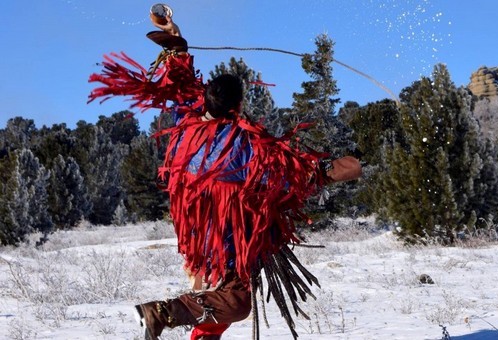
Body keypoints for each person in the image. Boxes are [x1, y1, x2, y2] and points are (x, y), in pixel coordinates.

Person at [88, 11, 361, 340]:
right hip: (227, 245)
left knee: (214, 304)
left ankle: (180, 321)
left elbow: (180, 85)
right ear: (239, 104)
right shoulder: (242, 147)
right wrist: (336, 169)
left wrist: (175, 41)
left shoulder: (187, 119)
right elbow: (286, 178)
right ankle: (161, 312)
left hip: (196, 242)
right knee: (235, 303)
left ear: (209, 98)